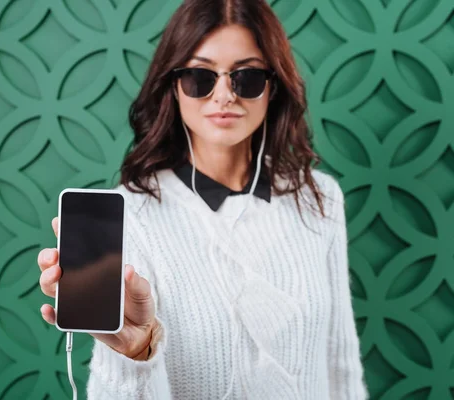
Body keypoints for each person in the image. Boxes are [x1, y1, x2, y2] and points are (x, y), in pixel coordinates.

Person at [37, 0, 368, 398]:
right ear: (173, 86)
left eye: (246, 78)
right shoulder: (132, 215)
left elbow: (340, 366)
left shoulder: (320, 199)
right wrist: (134, 353)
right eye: (200, 77)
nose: (225, 95)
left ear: (273, 86)